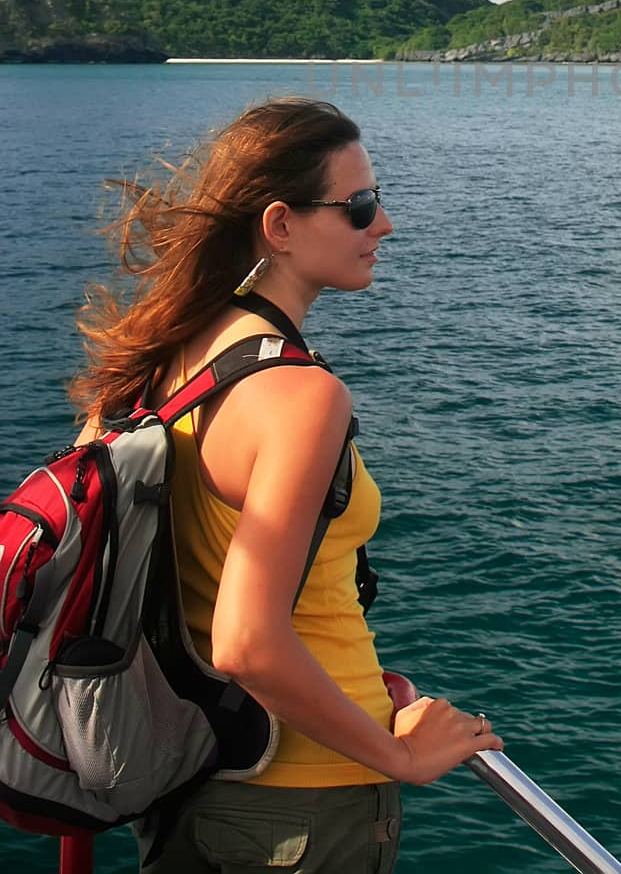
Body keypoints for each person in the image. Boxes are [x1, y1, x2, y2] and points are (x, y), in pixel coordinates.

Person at [70, 96, 502, 873]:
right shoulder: (301, 397)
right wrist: (396, 756)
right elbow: (247, 641)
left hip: (194, 781)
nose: (384, 226)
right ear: (279, 226)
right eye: (360, 206)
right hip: (304, 800)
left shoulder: (161, 359)